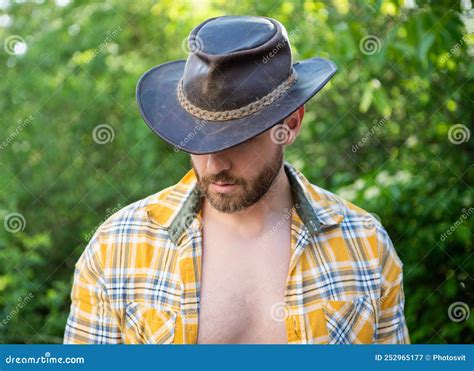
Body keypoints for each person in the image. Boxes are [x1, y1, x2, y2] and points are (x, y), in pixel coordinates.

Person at [64, 15, 409, 344]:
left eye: (238, 139)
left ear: (289, 125)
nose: (214, 164)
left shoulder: (365, 245)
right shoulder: (118, 247)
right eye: (197, 139)